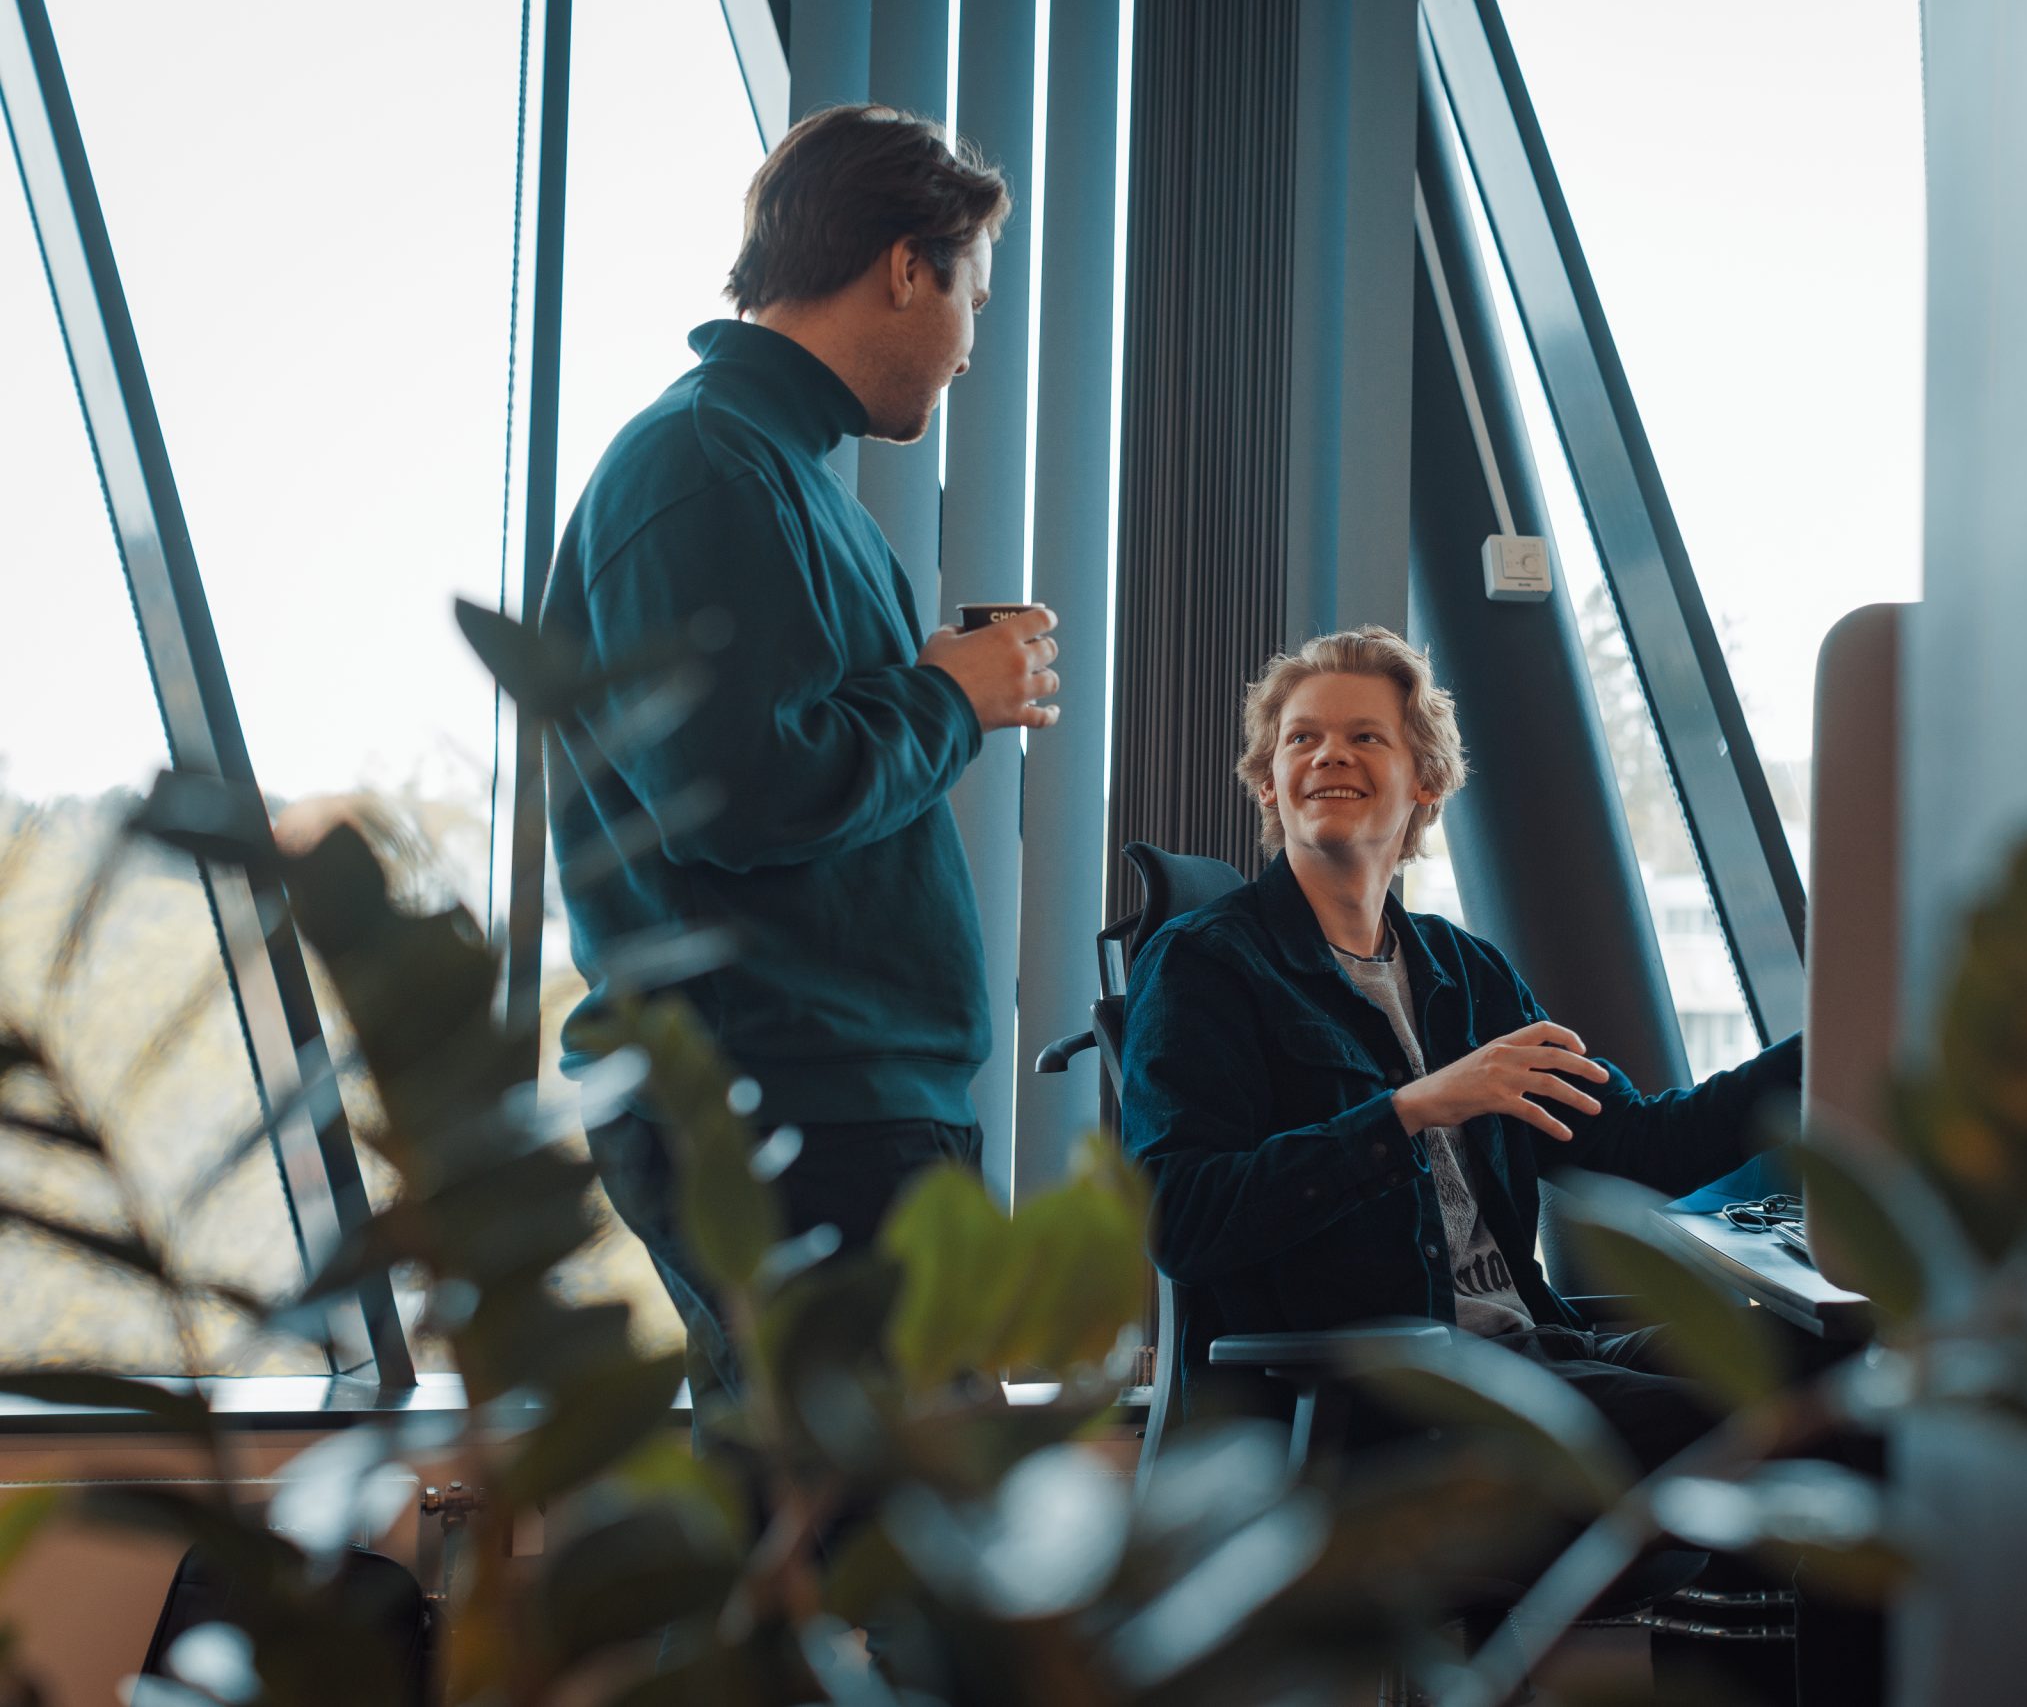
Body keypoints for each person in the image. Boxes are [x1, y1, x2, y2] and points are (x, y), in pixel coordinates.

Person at [541, 105, 1058, 1429]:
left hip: (842, 1098)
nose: (967, 350)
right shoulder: (710, 466)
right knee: (897, 1561)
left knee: (841, 1558)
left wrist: (935, 691)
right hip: (795, 1109)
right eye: (973, 301)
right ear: (905, 266)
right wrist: (947, 698)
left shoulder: (777, 471)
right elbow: (747, 794)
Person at [1118, 627, 1802, 1471]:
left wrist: (1828, 1044)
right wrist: (1411, 1109)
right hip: (1396, 1397)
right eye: (1304, 738)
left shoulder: (1465, 971)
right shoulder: (1206, 964)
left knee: (1830, 1371)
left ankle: (1735, 1606)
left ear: (1427, 780)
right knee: (1744, 1421)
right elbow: (1179, 1218)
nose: (1331, 755)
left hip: (1530, 1348)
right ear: (1269, 780)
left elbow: (1641, 1146)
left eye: (1365, 736)